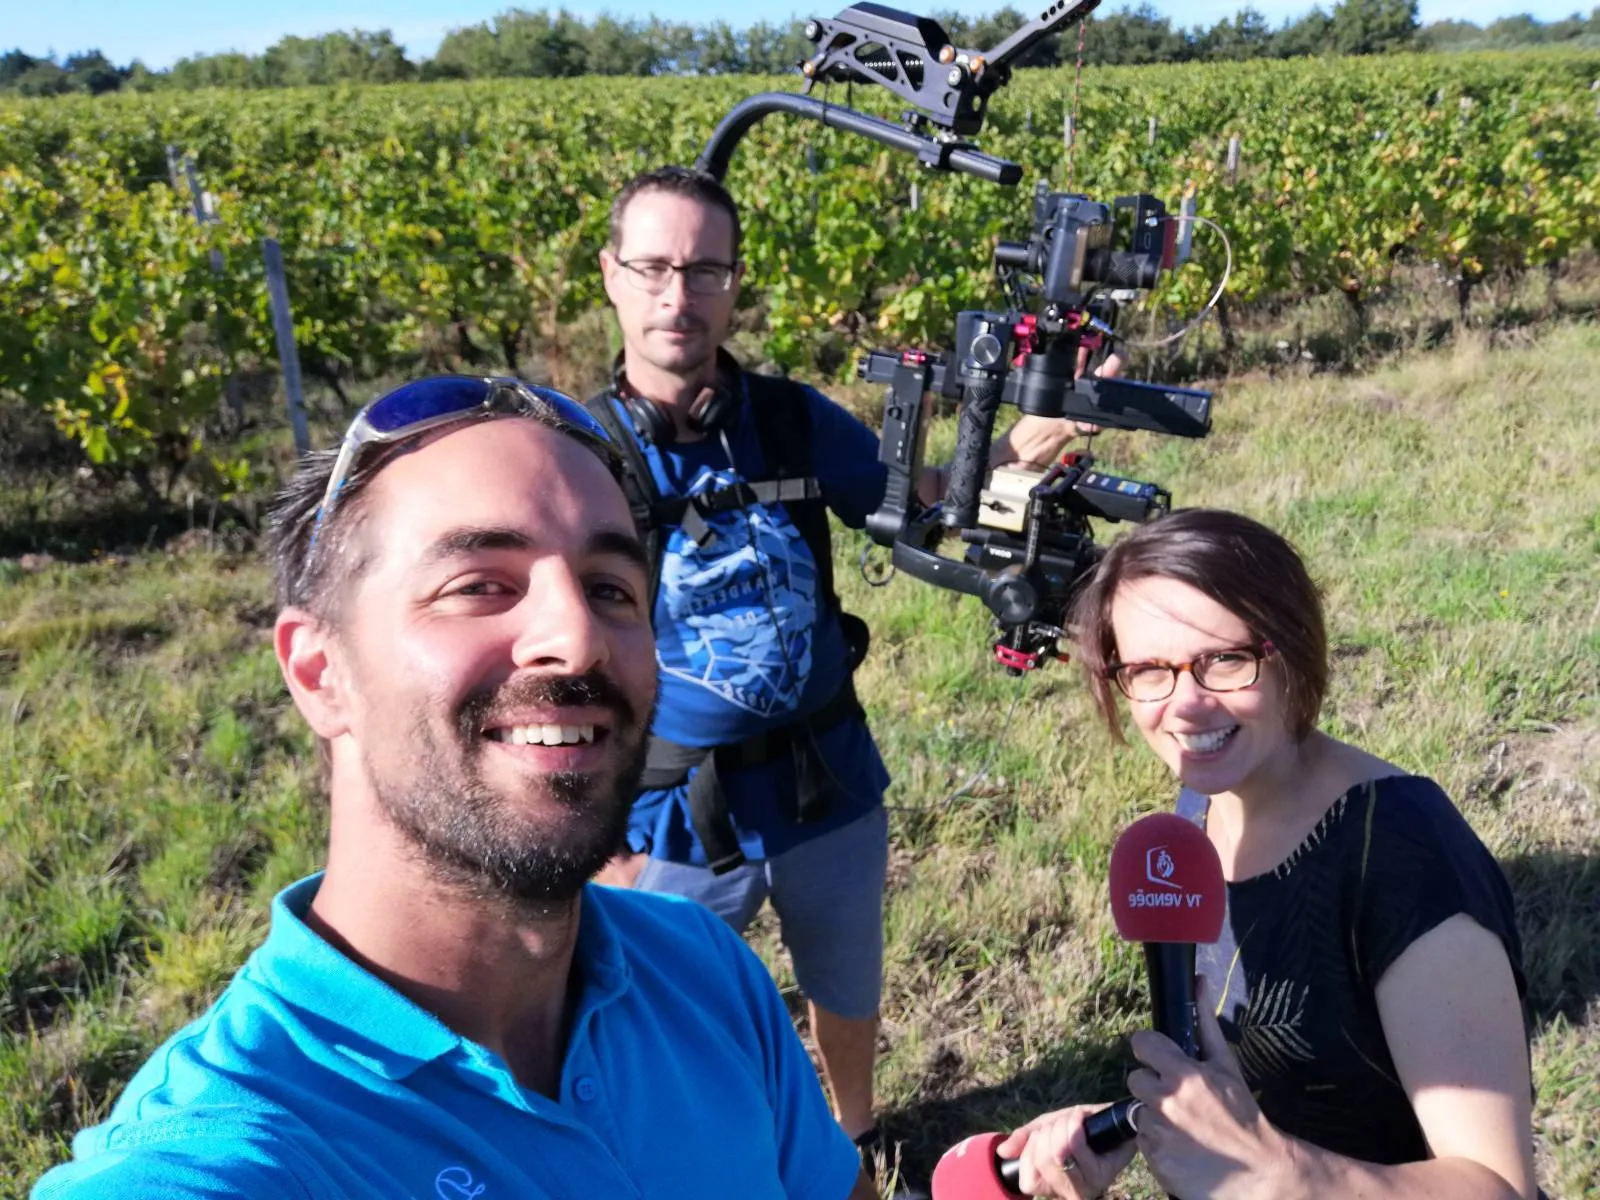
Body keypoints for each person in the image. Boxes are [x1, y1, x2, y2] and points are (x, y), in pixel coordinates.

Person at [34, 376, 875, 1200]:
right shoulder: (233, 1151)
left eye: (611, 589)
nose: (577, 638)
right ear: (320, 671)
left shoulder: (703, 970)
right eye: (479, 585)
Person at [586, 165, 1090, 1155]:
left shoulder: (789, 418)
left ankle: (850, 1138)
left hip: (828, 784)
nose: (675, 295)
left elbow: (922, 507)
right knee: (645, 1015)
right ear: (611, 275)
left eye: (702, 270)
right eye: (650, 267)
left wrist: (1016, 460)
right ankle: (683, 1158)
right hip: (665, 814)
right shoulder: (579, 451)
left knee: (845, 985)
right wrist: (600, 842)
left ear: (734, 284)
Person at [999, 508, 1537, 1200]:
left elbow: (1499, 1188)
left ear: (1292, 647)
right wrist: (1133, 1128)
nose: (1185, 705)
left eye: (1224, 659)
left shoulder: (1404, 856)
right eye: (1148, 669)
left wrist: (1278, 1175)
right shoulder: (1201, 806)